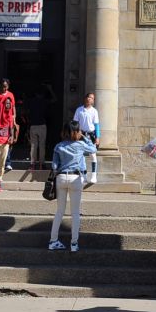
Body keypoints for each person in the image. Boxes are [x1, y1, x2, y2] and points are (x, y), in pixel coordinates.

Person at [48, 120, 97, 252]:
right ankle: (74, 243)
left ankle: (53, 241)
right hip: (76, 178)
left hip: (61, 177)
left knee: (59, 212)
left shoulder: (58, 146)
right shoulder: (80, 145)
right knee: (75, 213)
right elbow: (93, 149)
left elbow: (54, 166)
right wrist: (85, 137)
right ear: (77, 132)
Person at [26, 83, 56, 171]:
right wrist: (50, 89)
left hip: (33, 125)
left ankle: (32, 164)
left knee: (33, 145)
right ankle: (42, 164)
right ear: (42, 94)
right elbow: (55, 99)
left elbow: (25, 108)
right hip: (42, 125)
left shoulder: (31, 101)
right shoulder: (44, 101)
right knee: (42, 145)